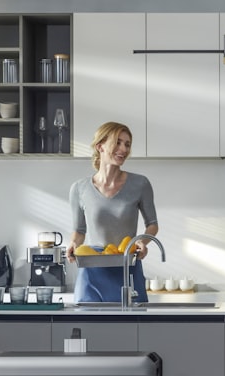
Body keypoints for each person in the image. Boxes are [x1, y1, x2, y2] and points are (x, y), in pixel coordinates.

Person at [67, 122, 158, 303]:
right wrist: (72, 244)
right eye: (117, 142)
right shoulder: (79, 188)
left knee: (133, 329)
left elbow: (152, 224)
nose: (123, 149)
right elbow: (79, 231)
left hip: (127, 269)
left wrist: (142, 241)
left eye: (127, 144)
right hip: (92, 273)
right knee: (89, 329)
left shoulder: (140, 184)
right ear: (100, 146)